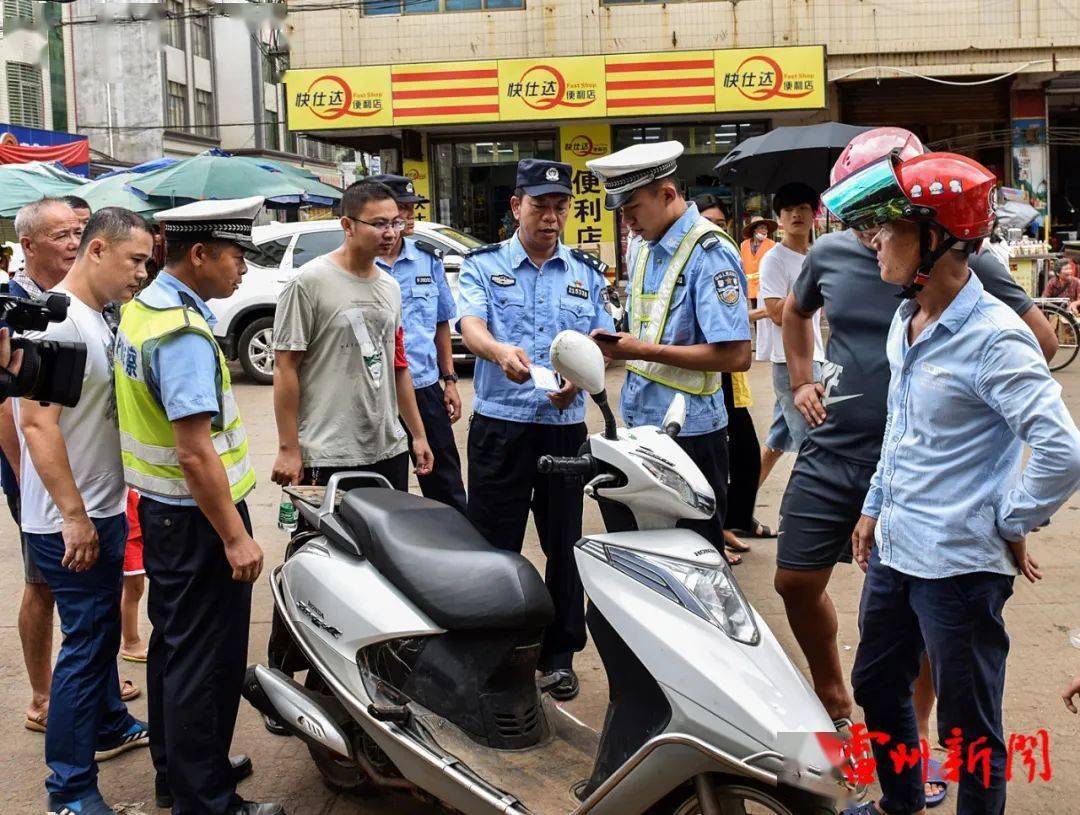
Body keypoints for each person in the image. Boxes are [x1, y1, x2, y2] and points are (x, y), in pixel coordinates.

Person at [779, 128, 1059, 807]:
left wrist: (1007, 512)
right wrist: (874, 507)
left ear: (936, 240)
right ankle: (897, 797)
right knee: (877, 682)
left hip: (959, 559)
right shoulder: (912, 319)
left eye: (886, 227)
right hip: (896, 538)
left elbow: (1060, 448)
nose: (871, 239)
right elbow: (902, 430)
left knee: (971, 729)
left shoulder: (990, 334)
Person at [113, 196, 279, 815]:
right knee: (205, 659)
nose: (243, 269)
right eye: (237, 255)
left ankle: (181, 770)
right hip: (198, 517)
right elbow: (195, 452)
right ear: (201, 254)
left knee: (175, 649)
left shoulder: (144, 309)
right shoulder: (181, 334)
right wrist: (236, 535)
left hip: (165, 513)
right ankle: (206, 800)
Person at [458, 159, 614, 700]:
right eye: (539, 205)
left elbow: (601, 342)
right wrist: (498, 350)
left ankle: (559, 654)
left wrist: (581, 377)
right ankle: (493, 653)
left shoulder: (586, 273)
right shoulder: (483, 265)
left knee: (564, 545)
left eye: (559, 206)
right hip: (500, 427)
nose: (550, 217)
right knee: (492, 547)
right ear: (516, 206)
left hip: (563, 429)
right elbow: (471, 326)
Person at [17, 207, 153, 815]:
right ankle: (69, 790)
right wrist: (74, 515)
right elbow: (35, 422)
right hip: (73, 518)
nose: (142, 274)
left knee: (93, 636)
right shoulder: (59, 323)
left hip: (99, 504)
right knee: (89, 642)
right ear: (97, 251)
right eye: (135, 261)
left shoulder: (97, 318)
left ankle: (107, 724)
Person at [586, 141, 751, 568]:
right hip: (639, 427)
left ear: (668, 194)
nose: (627, 221)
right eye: (620, 211)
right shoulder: (640, 246)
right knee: (645, 558)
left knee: (696, 559)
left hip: (692, 433)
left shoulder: (709, 253)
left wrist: (640, 350)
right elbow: (645, 327)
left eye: (634, 207)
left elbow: (736, 356)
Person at [270, 180, 434, 492]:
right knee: (328, 541)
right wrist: (288, 449)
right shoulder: (309, 282)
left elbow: (397, 365)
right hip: (327, 451)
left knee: (386, 539)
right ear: (347, 225)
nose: (390, 233)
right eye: (379, 224)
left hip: (388, 449)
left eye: (395, 223)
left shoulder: (390, 287)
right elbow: (285, 367)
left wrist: (418, 434)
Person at [0, 197, 81, 734]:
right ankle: (42, 693)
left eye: (78, 232)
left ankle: (83, 679)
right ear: (28, 245)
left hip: (79, 464)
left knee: (83, 579)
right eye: (61, 236)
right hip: (32, 470)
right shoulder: (11, 306)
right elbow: (5, 411)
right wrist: (31, 481)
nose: (74, 243)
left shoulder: (77, 298)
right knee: (43, 581)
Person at [372, 173, 467, 513]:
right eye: (401, 209)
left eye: (412, 209)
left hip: (425, 386)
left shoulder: (428, 258)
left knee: (445, 484)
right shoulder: (362, 264)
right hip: (377, 393)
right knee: (385, 486)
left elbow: (441, 322)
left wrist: (450, 380)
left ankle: (456, 554)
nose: (408, 217)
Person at [757, 183, 826, 491]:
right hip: (791, 365)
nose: (796, 214)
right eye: (788, 210)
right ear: (779, 220)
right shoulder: (775, 259)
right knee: (814, 448)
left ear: (815, 214)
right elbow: (774, 312)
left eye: (803, 208)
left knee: (775, 445)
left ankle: (735, 512)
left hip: (816, 357)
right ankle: (802, 521)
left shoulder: (816, 257)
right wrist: (808, 288)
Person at [119, 490, 148, 662]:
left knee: (138, 587)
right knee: (134, 587)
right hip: (128, 528)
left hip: (144, 521)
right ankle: (131, 640)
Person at [739, 215, 776, 310]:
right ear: (754, 230)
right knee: (755, 310)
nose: (765, 231)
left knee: (766, 311)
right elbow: (742, 264)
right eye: (762, 228)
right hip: (750, 285)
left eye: (766, 228)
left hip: (766, 284)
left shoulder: (772, 244)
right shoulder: (744, 245)